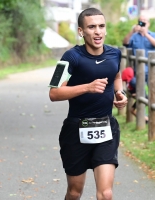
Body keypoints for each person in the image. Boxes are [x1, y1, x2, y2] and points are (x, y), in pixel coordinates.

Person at [49, 7, 127, 200]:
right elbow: (54, 92)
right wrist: (87, 87)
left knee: (106, 194)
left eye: (101, 26)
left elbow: (116, 75)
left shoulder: (115, 54)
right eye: (91, 27)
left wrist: (119, 92)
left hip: (106, 128)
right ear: (81, 31)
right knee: (75, 192)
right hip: (76, 130)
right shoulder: (70, 57)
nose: (98, 31)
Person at [127, 15, 155, 119]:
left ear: (148, 23)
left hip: (151, 69)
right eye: (140, 21)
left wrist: (146, 33)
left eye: (144, 21)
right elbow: (125, 43)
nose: (142, 23)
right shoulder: (134, 36)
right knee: (141, 91)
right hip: (138, 70)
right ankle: (143, 115)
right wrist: (132, 31)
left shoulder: (153, 35)